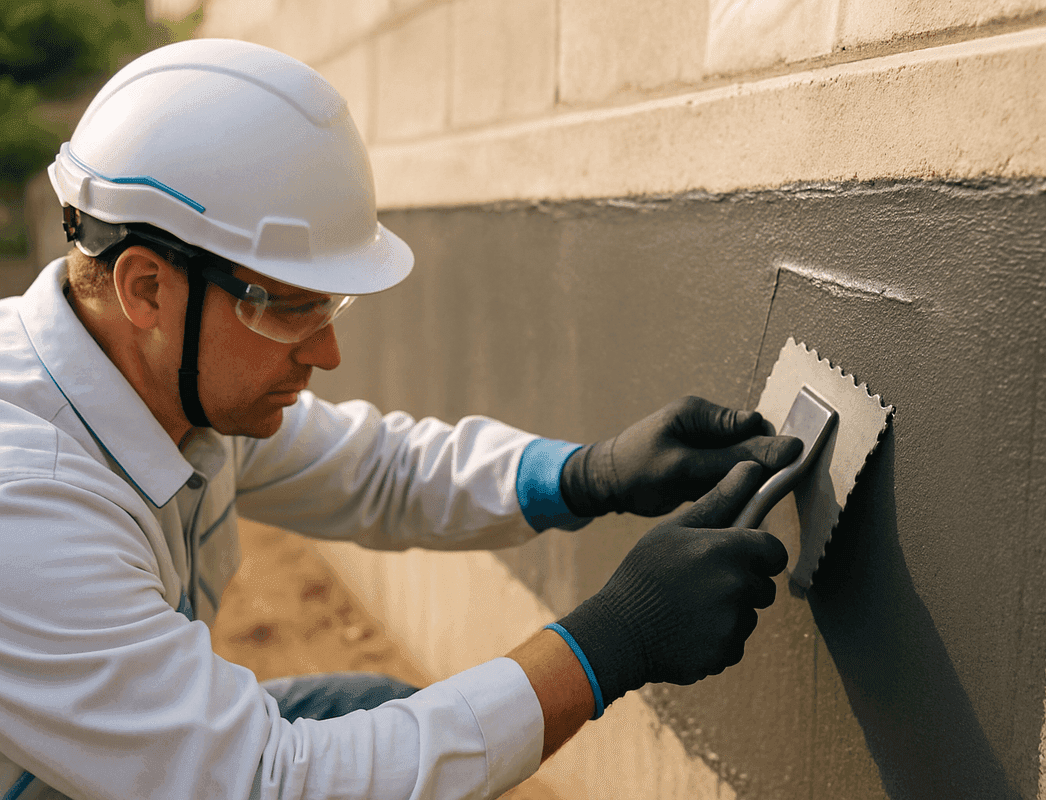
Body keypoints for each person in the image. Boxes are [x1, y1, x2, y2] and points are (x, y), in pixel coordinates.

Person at [0, 39, 801, 800]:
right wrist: (612, 642)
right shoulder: (28, 503)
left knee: (364, 709)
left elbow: (377, 471)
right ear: (146, 289)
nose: (329, 352)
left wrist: (589, 473)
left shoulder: (161, 387)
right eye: (292, 309)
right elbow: (270, 784)